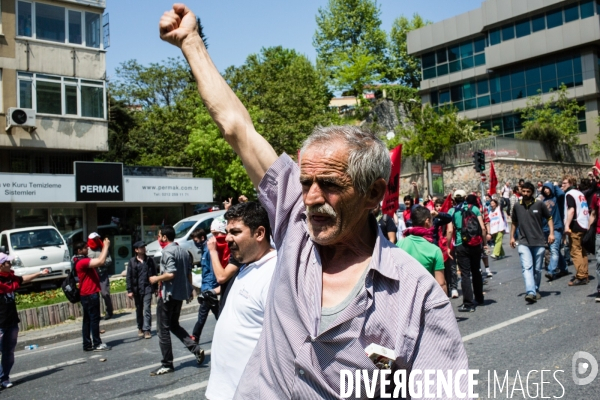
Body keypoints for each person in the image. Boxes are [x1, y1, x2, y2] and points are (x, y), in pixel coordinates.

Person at [159, 5, 469, 397]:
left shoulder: (417, 298)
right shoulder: (294, 224)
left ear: (374, 193)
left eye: (331, 184)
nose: (312, 198)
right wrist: (190, 43)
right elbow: (236, 127)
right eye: (305, 182)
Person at [205, 202, 277, 400]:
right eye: (227, 231)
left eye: (235, 232)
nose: (227, 238)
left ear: (260, 233)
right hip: (224, 391)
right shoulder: (247, 264)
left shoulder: (275, 274)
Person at [148, 225, 204, 376]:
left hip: (168, 296)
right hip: (179, 295)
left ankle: (167, 363)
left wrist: (156, 278)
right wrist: (190, 289)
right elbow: (188, 273)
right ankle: (195, 349)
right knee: (173, 325)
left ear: (165, 237)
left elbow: (171, 273)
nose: (158, 239)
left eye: (159, 236)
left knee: (162, 330)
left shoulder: (167, 252)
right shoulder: (183, 251)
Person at [0, 254, 49, 388]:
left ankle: (3, 378)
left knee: (9, 352)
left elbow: (22, 279)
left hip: (11, 321)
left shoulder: (11, 278)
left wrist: (39, 273)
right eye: (7, 262)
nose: (10, 263)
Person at [510, 182, 554, 303]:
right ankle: (530, 292)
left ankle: (535, 289)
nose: (525, 194)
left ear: (532, 192)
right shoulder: (517, 206)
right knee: (527, 267)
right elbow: (514, 222)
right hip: (523, 242)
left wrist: (551, 233)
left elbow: (549, 218)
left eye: (528, 192)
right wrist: (512, 237)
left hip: (539, 241)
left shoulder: (539, 204)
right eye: (523, 191)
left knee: (537, 269)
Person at [447, 190, 487, 312]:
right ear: (465, 197)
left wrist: (448, 246)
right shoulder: (474, 208)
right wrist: (484, 243)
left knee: (465, 274)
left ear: (454, 199)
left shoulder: (452, 211)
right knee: (476, 271)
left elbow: (449, 231)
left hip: (461, 244)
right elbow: (483, 228)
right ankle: (479, 298)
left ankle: (468, 304)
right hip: (475, 243)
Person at [397, 206, 447, 294]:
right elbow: (441, 284)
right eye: (432, 220)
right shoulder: (435, 250)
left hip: (403, 297)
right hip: (426, 298)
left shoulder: (399, 245)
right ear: (427, 221)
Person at [73, 240, 112, 352]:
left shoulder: (78, 260)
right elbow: (101, 261)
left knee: (87, 320)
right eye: (85, 248)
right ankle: (97, 343)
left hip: (86, 294)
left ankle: (87, 344)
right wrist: (106, 246)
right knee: (94, 319)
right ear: (79, 250)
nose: (87, 249)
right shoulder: (82, 262)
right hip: (90, 293)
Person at [191, 228, 221, 345]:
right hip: (206, 288)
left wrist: (212, 290)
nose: (195, 243)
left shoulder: (209, 251)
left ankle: (195, 337)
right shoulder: (204, 250)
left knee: (203, 316)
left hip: (209, 288)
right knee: (217, 314)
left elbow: (213, 271)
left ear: (202, 238)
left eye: (196, 240)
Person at [562, 175, 590, 286]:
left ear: (570, 183)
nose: (562, 185)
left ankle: (581, 276)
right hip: (584, 224)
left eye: (564, 183)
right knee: (582, 250)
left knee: (575, 251)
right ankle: (584, 273)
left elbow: (571, 210)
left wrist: (566, 226)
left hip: (576, 224)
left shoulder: (570, 194)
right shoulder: (580, 193)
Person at [126, 241, 157, 339]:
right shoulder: (132, 261)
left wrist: (155, 288)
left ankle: (147, 329)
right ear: (136, 250)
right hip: (137, 289)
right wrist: (129, 290)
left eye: (144, 247)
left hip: (147, 287)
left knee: (147, 309)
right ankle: (140, 327)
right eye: (141, 247)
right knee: (139, 309)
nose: (143, 249)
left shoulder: (150, 260)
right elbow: (129, 277)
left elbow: (154, 274)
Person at [541, 182, 569, 281]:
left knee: (553, 250)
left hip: (556, 227)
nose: (545, 190)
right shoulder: (543, 200)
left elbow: (562, 194)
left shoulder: (557, 199)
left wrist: (555, 186)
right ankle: (564, 268)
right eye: (544, 188)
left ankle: (551, 271)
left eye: (548, 188)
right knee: (555, 249)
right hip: (545, 229)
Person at [87, 232, 114, 320]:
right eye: (94, 239)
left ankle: (109, 311)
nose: (96, 241)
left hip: (102, 274)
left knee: (105, 293)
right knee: (94, 296)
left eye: (97, 238)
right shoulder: (87, 250)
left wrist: (102, 263)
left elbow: (109, 260)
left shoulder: (103, 248)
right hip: (92, 276)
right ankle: (96, 314)